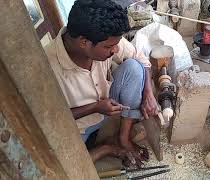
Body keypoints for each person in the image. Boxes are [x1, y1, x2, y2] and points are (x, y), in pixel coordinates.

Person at [44, 0, 158, 165]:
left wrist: (148, 93)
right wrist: (95, 107)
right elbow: (51, 118)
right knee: (64, 166)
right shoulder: (46, 66)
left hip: (109, 107)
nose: (116, 50)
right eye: (109, 47)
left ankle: (123, 138)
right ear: (84, 42)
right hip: (78, 125)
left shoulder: (104, 37)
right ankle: (107, 148)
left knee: (134, 67)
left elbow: (141, 60)